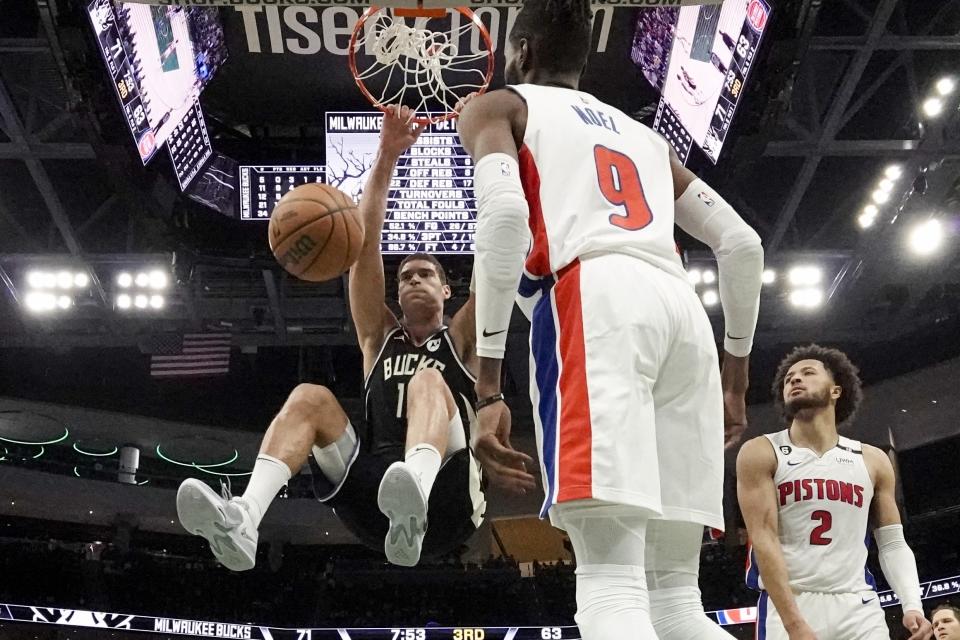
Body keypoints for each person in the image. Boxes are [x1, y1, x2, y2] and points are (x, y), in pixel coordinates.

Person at [455, 0, 764, 637]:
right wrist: (735, 378)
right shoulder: (646, 138)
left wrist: (487, 385)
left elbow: (506, 221)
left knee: (610, 582)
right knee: (677, 600)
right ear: (581, 61)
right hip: (684, 314)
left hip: (595, 301)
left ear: (523, 53)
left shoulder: (499, 105)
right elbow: (741, 244)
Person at [176, 105, 490, 570]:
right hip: (373, 503)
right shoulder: (378, 337)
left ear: (448, 290)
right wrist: (385, 156)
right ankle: (243, 519)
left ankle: (415, 498)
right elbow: (366, 245)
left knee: (428, 381)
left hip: (449, 499)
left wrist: (495, 165)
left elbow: (497, 264)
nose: (413, 280)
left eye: (426, 274)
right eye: (405, 276)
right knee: (309, 396)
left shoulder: (464, 337)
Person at [737, 344, 933, 640]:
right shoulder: (762, 451)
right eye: (789, 377)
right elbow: (764, 539)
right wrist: (794, 624)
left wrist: (912, 604)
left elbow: (892, 543)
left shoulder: (872, 460)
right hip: (792, 602)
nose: (795, 379)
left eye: (808, 373)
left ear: (836, 391)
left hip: (857, 604)